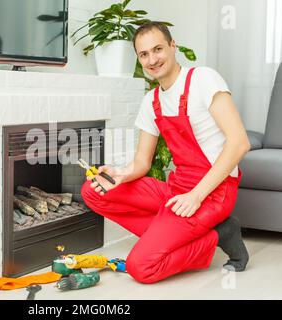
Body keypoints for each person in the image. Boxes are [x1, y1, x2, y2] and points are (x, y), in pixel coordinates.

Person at [80, 21, 250, 284]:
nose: (152, 59)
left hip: (214, 192)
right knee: (94, 190)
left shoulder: (203, 79)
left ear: (173, 46)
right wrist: (120, 174)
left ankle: (217, 234)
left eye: (158, 49)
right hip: (178, 189)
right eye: (144, 54)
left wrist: (196, 196)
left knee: (141, 267)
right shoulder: (152, 101)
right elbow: (142, 162)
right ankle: (194, 233)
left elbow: (239, 143)